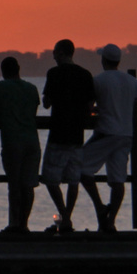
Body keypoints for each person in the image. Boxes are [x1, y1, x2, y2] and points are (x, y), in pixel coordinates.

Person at [77, 44, 137, 233]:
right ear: (118, 61)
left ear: (103, 60)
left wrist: (94, 111)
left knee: (79, 167)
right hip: (126, 134)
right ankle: (110, 221)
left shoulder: (99, 80)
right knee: (118, 179)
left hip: (106, 132)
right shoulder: (131, 81)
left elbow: (88, 106)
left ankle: (99, 207)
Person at [40, 39, 96, 234]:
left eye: (55, 52)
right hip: (77, 134)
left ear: (62, 53)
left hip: (58, 133)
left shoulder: (54, 74)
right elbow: (90, 107)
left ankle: (64, 216)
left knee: (50, 178)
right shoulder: (85, 75)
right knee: (73, 180)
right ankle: (66, 219)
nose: (53, 55)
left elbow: (47, 102)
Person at [0, 56, 41, 233]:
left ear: (3, 72)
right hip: (32, 141)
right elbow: (33, 112)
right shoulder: (32, 89)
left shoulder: (0, 87)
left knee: (14, 184)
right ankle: (24, 224)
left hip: (12, 140)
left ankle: (14, 223)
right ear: (18, 69)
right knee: (28, 184)